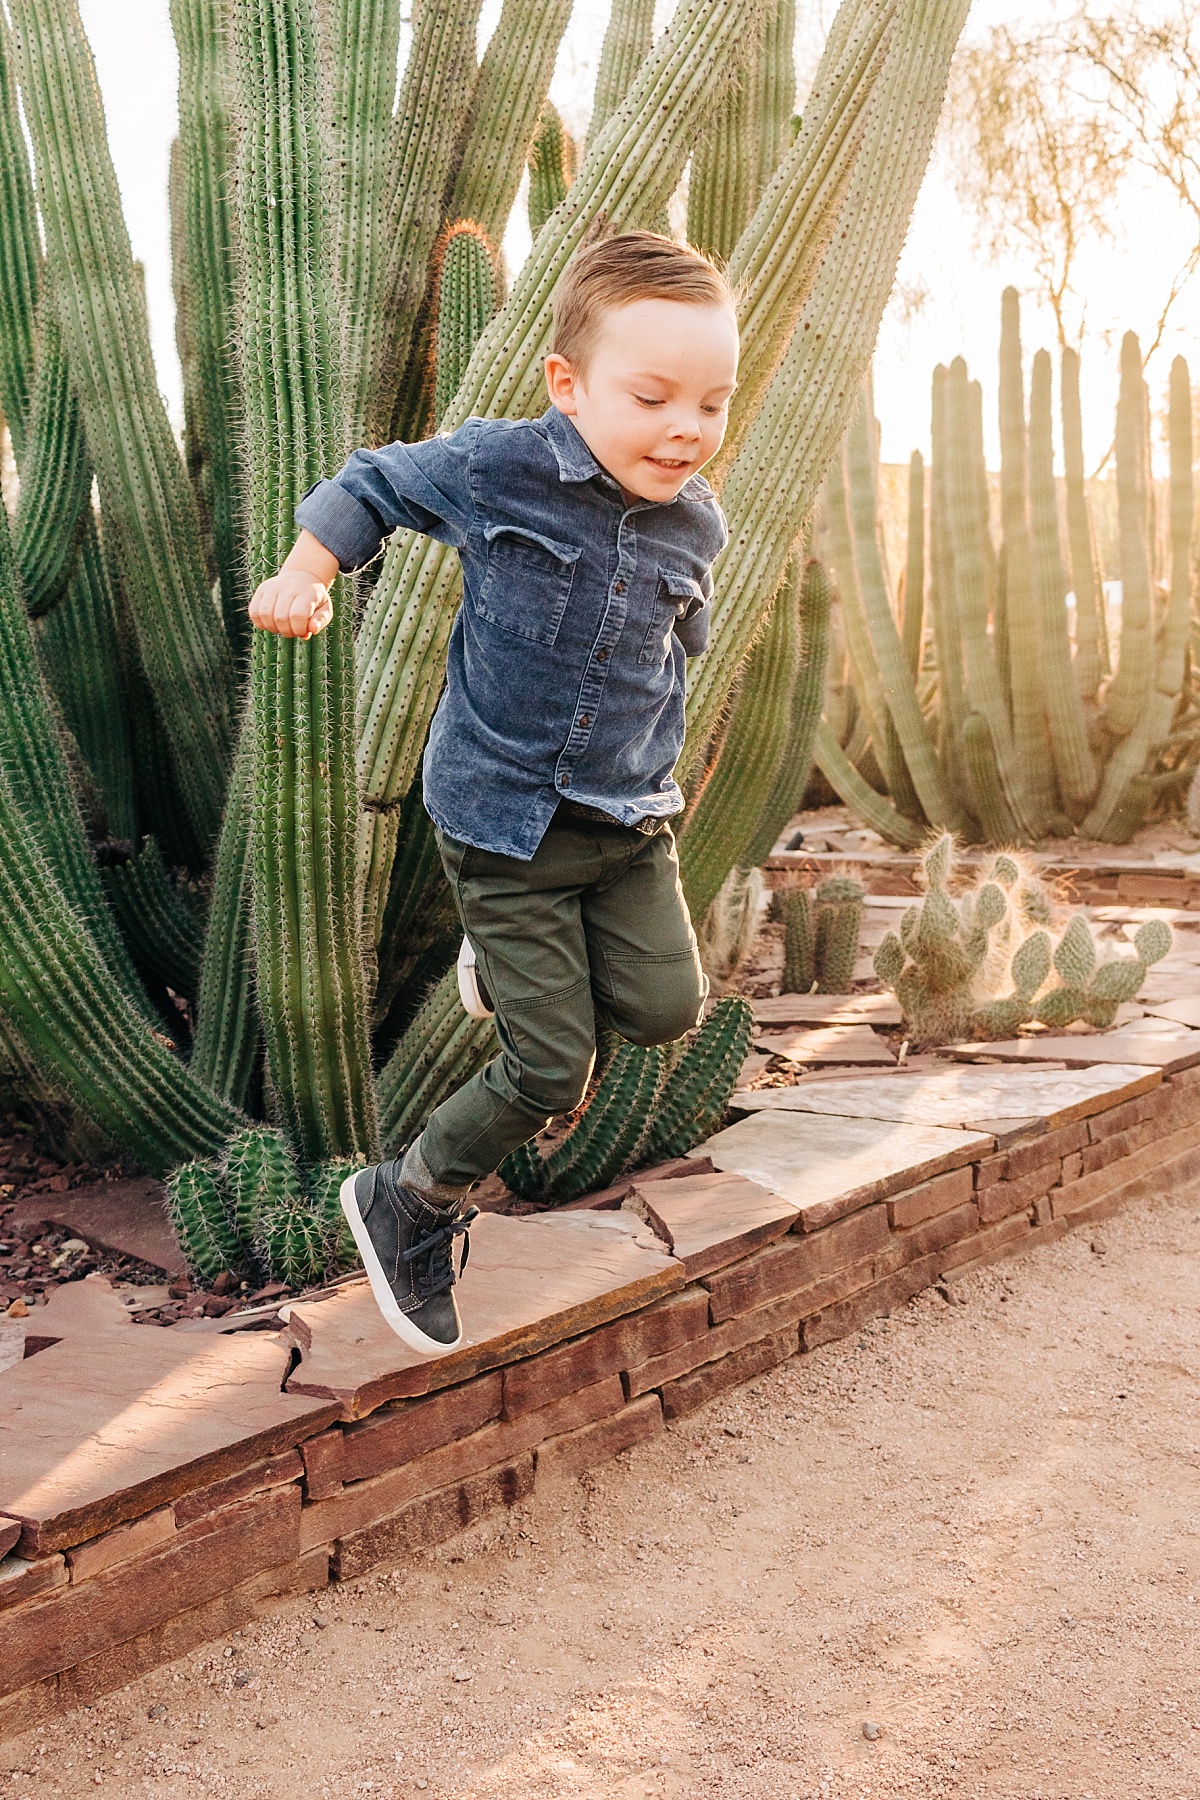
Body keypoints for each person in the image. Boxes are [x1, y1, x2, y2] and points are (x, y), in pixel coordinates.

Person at [249, 231, 739, 1358]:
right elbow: (373, 481)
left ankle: (510, 971)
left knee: (668, 1010)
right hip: (508, 825)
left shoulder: (696, 520)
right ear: (568, 388)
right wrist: (305, 571)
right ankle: (409, 1199)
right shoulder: (500, 467)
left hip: (627, 827)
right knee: (551, 1065)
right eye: (653, 396)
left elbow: (672, 653)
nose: (685, 428)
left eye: (710, 404)